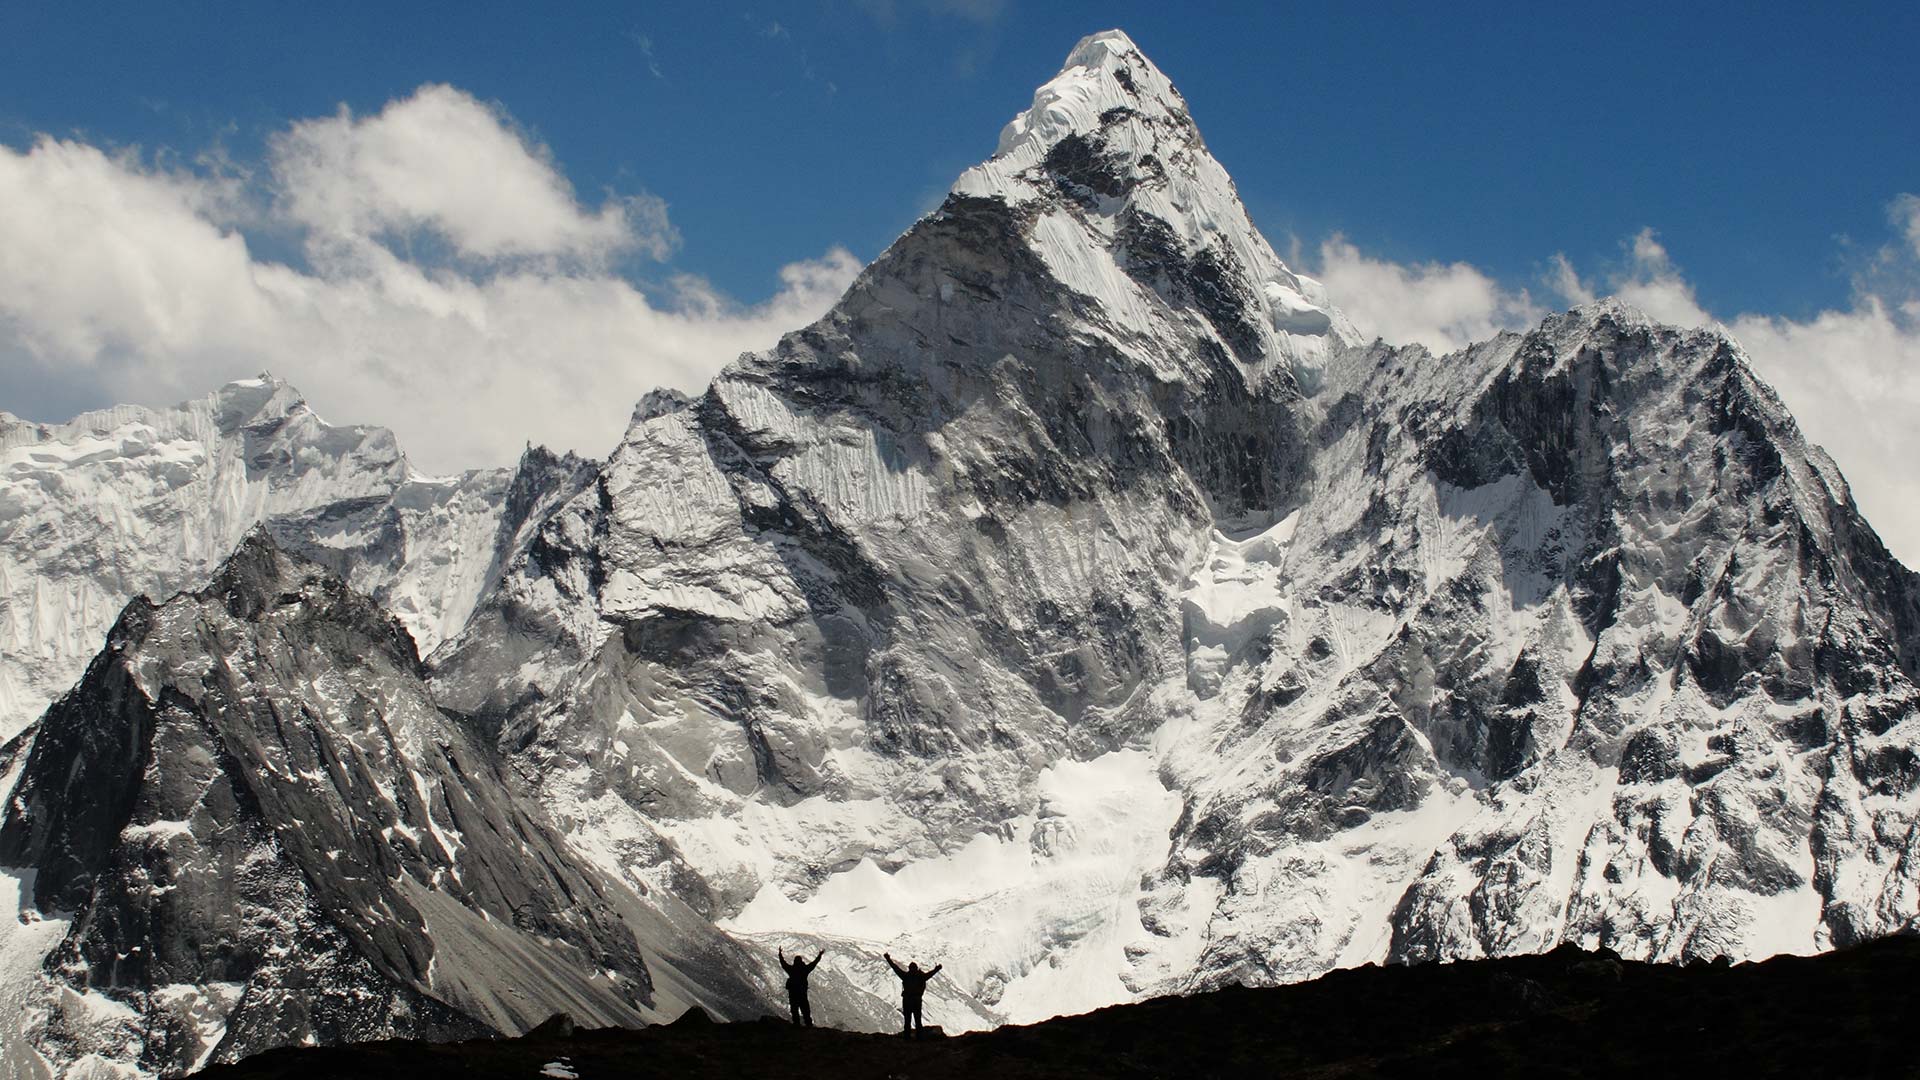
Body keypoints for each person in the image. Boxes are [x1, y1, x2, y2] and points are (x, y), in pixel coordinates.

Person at [884, 952, 942, 1037]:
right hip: (917, 1000)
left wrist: (888, 959)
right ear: (916, 968)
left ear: (909, 968)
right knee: (918, 1020)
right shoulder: (921, 977)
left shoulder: (905, 976)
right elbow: (930, 974)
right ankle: (919, 1037)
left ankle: (907, 1037)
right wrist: (937, 969)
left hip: (907, 1000)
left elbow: (895, 968)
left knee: (907, 1020)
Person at [779, 947, 825, 1027]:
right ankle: (808, 1025)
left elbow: (783, 963)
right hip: (802, 994)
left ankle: (797, 1025)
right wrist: (819, 955)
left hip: (793, 993)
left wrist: (780, 953)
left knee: (794, 1010)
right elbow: (814, 963)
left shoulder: (791, 969)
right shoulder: (805, 969)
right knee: (805, 1010)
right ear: (801, 961)